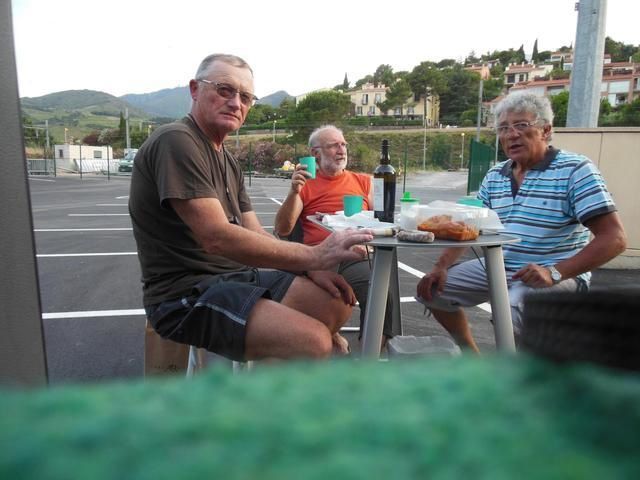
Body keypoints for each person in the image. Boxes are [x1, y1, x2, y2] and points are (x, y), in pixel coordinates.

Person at [129, 54, 373, 362]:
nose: (236, 103)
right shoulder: (176, 140)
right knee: (314, 341)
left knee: (337, 304)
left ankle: (270, 376)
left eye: (245, 97)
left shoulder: (227, 160)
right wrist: (316, 254)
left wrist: (311, 267)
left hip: (235, 277)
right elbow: (217, 237)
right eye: (224, 90)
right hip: (184, 293)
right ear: (194, 89)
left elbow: (255, 231)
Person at [416, 91, 627, 352]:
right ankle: (472, 356)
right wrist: (441, 266)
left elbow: (615, 239)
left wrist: (555, 272)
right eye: (503, 128)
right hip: (499, 266)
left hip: (555, 271)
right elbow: (469, 226)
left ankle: (524, 377)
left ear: (546, 130)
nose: (511, 134)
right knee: (432, 290)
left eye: (521, 125)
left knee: (514, 308)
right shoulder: (495, 175)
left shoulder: (575, 169)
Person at [274, 125, 396, 348]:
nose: (341, 150)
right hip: (319, 257)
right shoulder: (306, 184)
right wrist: (294, 192)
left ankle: (368, 358)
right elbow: (283, 229)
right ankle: (332, 336)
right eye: (333, 145)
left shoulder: (364, 181)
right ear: (315, 154)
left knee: (379, 292)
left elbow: (384, 219)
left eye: (343, 144)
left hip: (356, 255)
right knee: (323, 301)